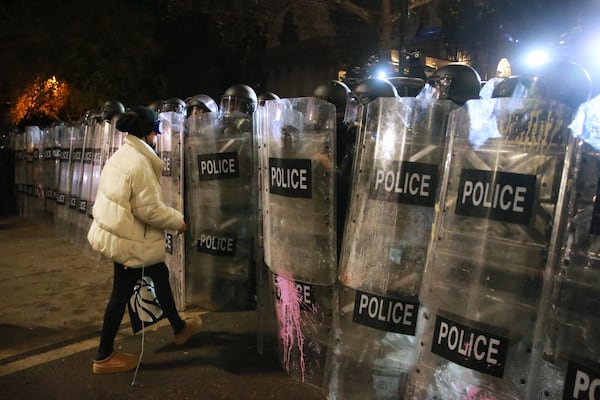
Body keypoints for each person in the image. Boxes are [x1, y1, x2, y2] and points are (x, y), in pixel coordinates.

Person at [87, 106, 201, 374]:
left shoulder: (124, 155)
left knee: (159, 275)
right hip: (131, 242)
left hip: (124, 235)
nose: (156, 135)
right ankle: (103, 356)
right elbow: (148, 209)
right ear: (149, 131)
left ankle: (179, 328)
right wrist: (177, 221)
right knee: (119, 296)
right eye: (155, 130)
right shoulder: (139, 163)